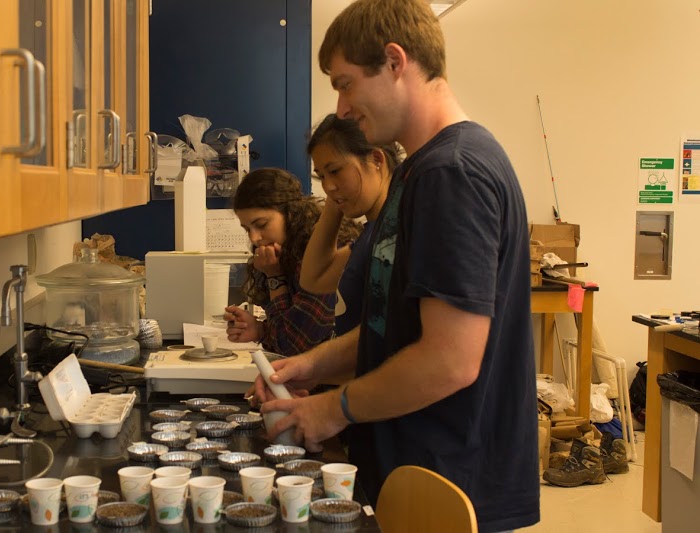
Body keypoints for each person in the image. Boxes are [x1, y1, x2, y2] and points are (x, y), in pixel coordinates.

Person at [252, 1, 540, 531]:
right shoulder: (420, 173)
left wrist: (331, 409)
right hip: (411, 468)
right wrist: (309, 367)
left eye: (345, 83)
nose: (341, 108)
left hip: (449, 481)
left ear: (394, 61)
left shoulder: (453, 173)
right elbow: (395, 330)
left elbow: (450, 360)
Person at [223, 168, 361, 356]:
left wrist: (274, 277)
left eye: (261, 225)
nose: (254, 238)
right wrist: (260, 330)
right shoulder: (286, 254)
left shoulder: (321, 252)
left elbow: (292, 344)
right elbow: (287, 331)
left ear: (290, 213)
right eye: (247, 229)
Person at [301, 114, 401, 337]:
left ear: (376, 160)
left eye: (335, 171)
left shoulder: (395, 233)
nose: (328, 186)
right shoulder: (373, 233)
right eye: (321, 176)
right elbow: (313, 278)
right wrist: (337, 198)